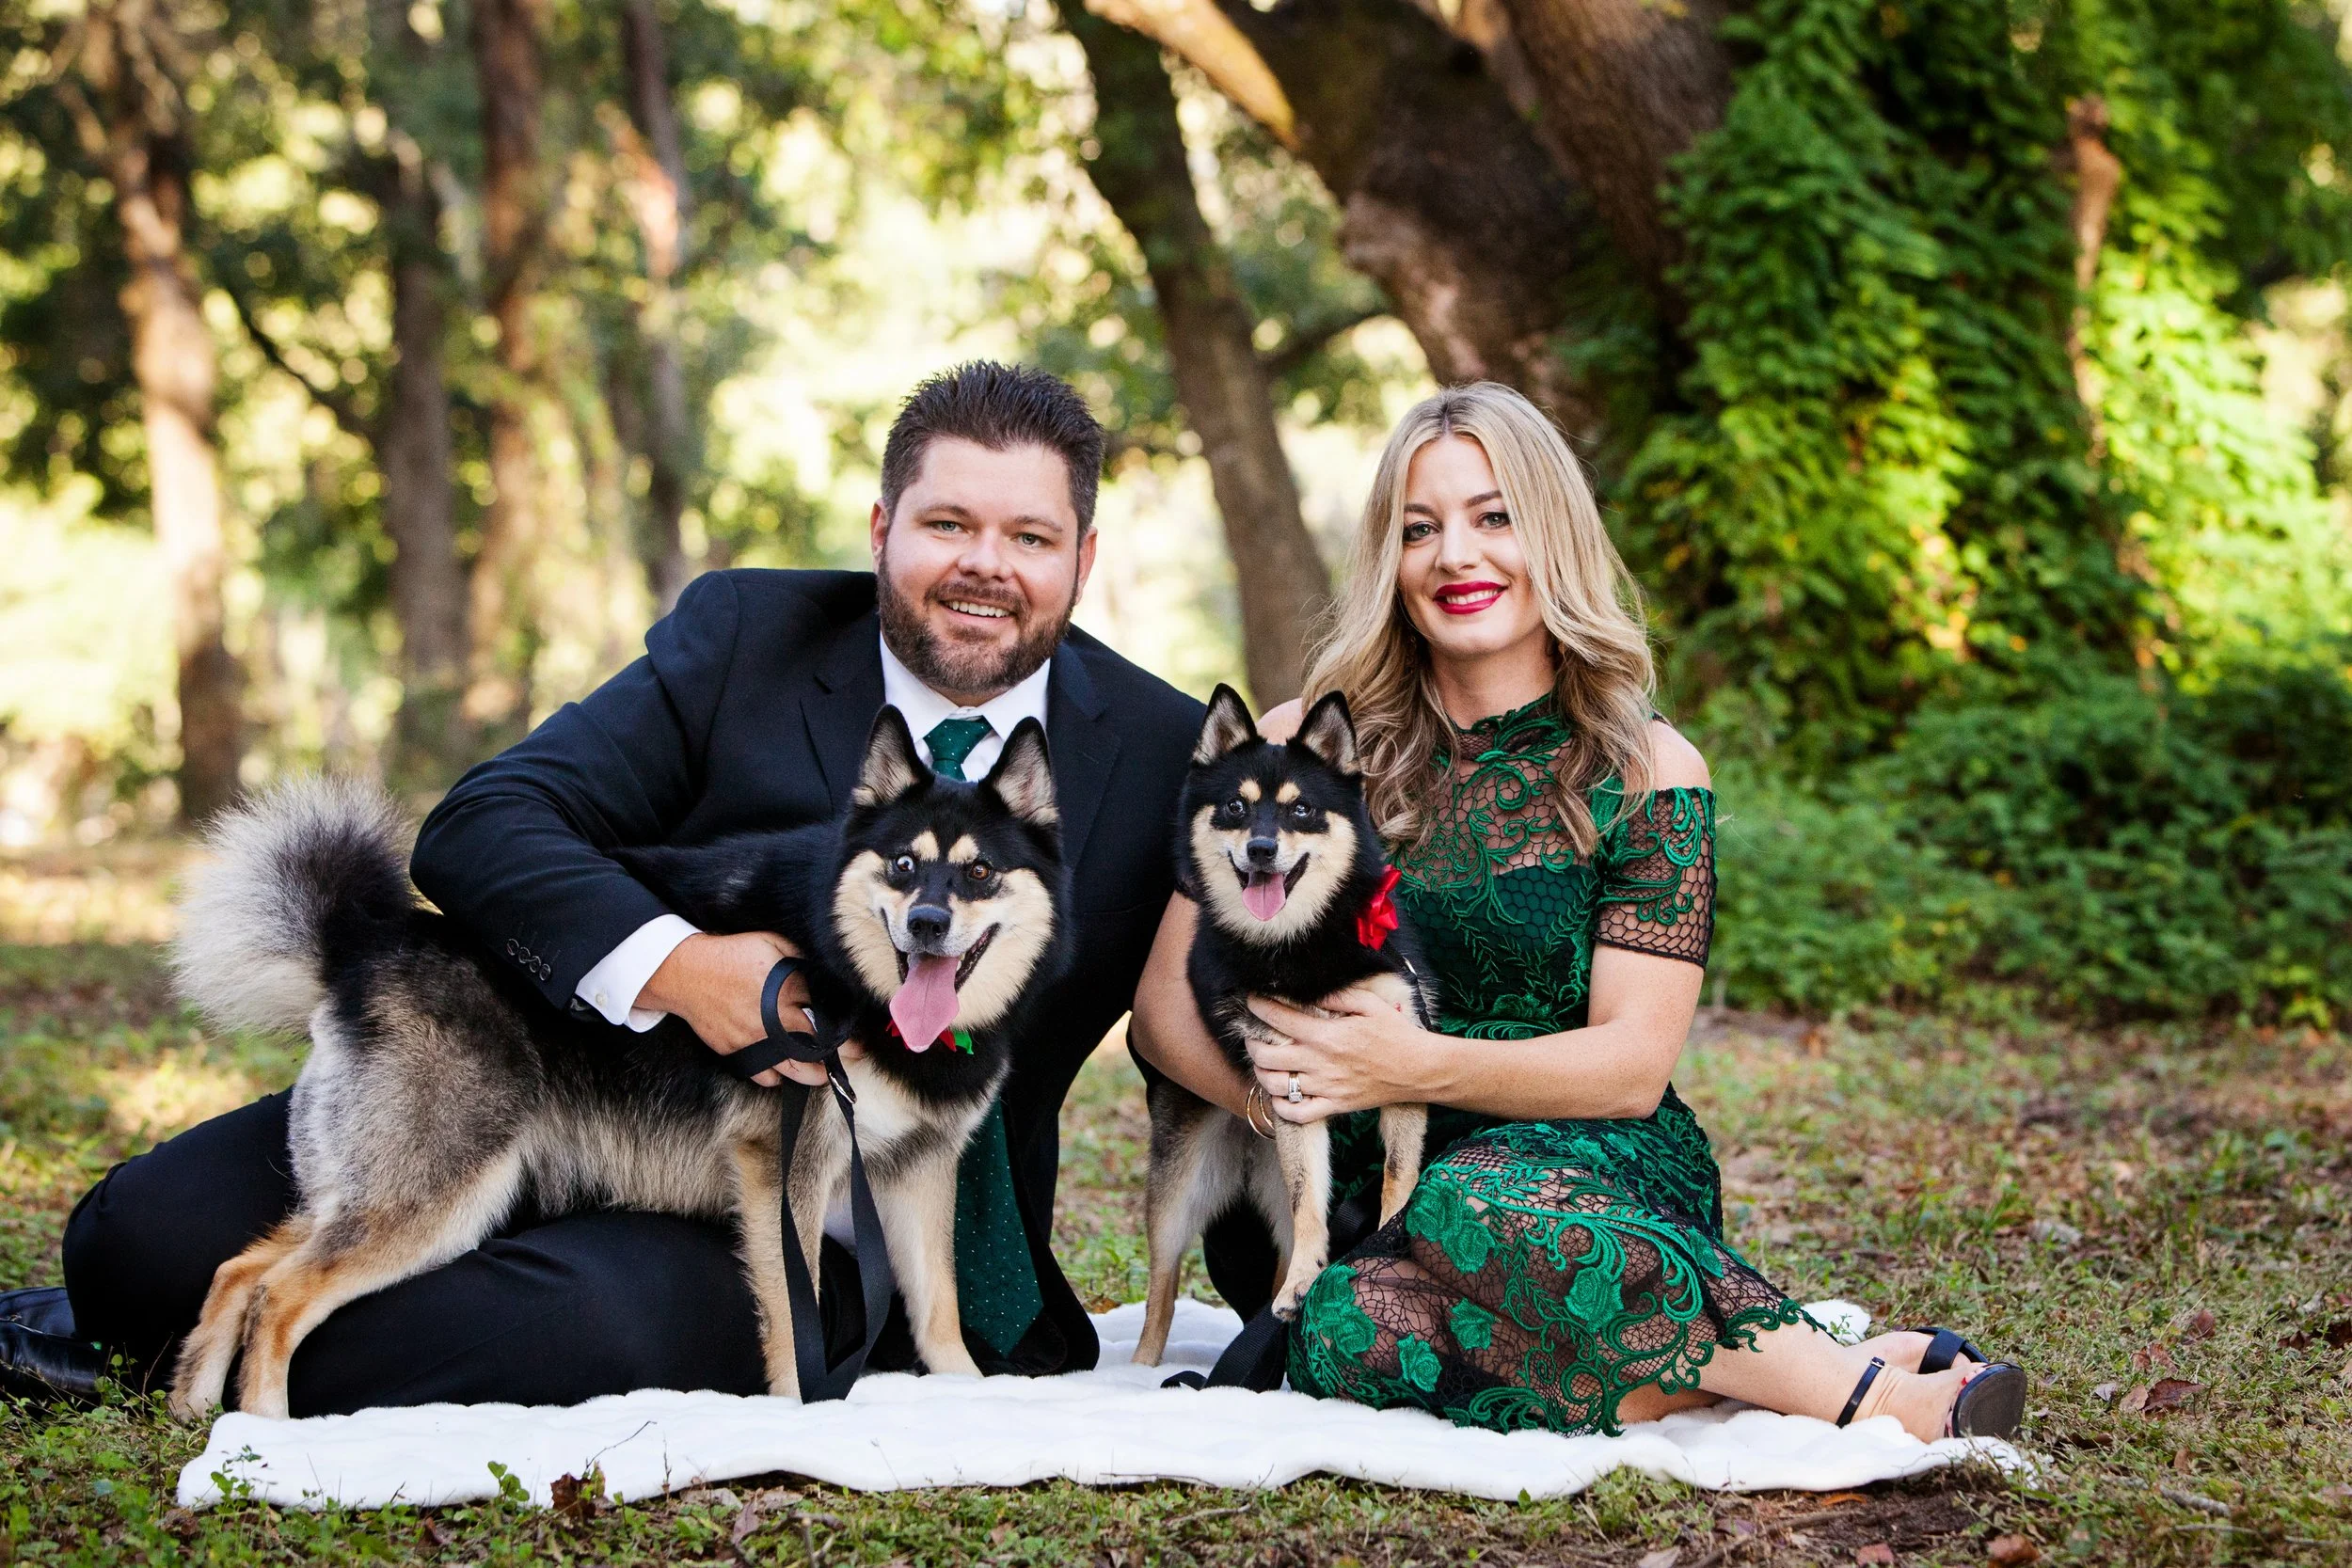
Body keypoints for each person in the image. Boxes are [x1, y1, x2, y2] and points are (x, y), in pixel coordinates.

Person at [3, 361, 1204, 1414]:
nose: (984, 566)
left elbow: (1227, 1005)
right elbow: (483, 826)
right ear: (883, 524)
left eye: (1030, 537)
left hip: (826, 1222)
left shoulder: (1160, 749)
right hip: (551, 1072)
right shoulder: (746, 633)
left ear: (1082, 558)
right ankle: (178, 1318)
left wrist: (1384, 1069)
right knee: (130, 1240)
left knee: (578, 1325)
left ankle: (233, 1352)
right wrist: (687, 969)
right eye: (948, 522)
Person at [1129, 382, 2025, 1441]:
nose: (1455, 554)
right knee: (1335, 1332)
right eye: (1420, 528)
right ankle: (1762, 1358)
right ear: (1390, 557)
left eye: (1492, 515)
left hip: (1579, 1166)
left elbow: (1630, 1065)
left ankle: (1884, 1398)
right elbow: (1160, 1012)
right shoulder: (1298, 748)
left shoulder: (1647, 767)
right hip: (1347, 1198)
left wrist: (1410, 1066)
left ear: (1550, 529)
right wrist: (1291, 1102)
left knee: (1469, 1202)